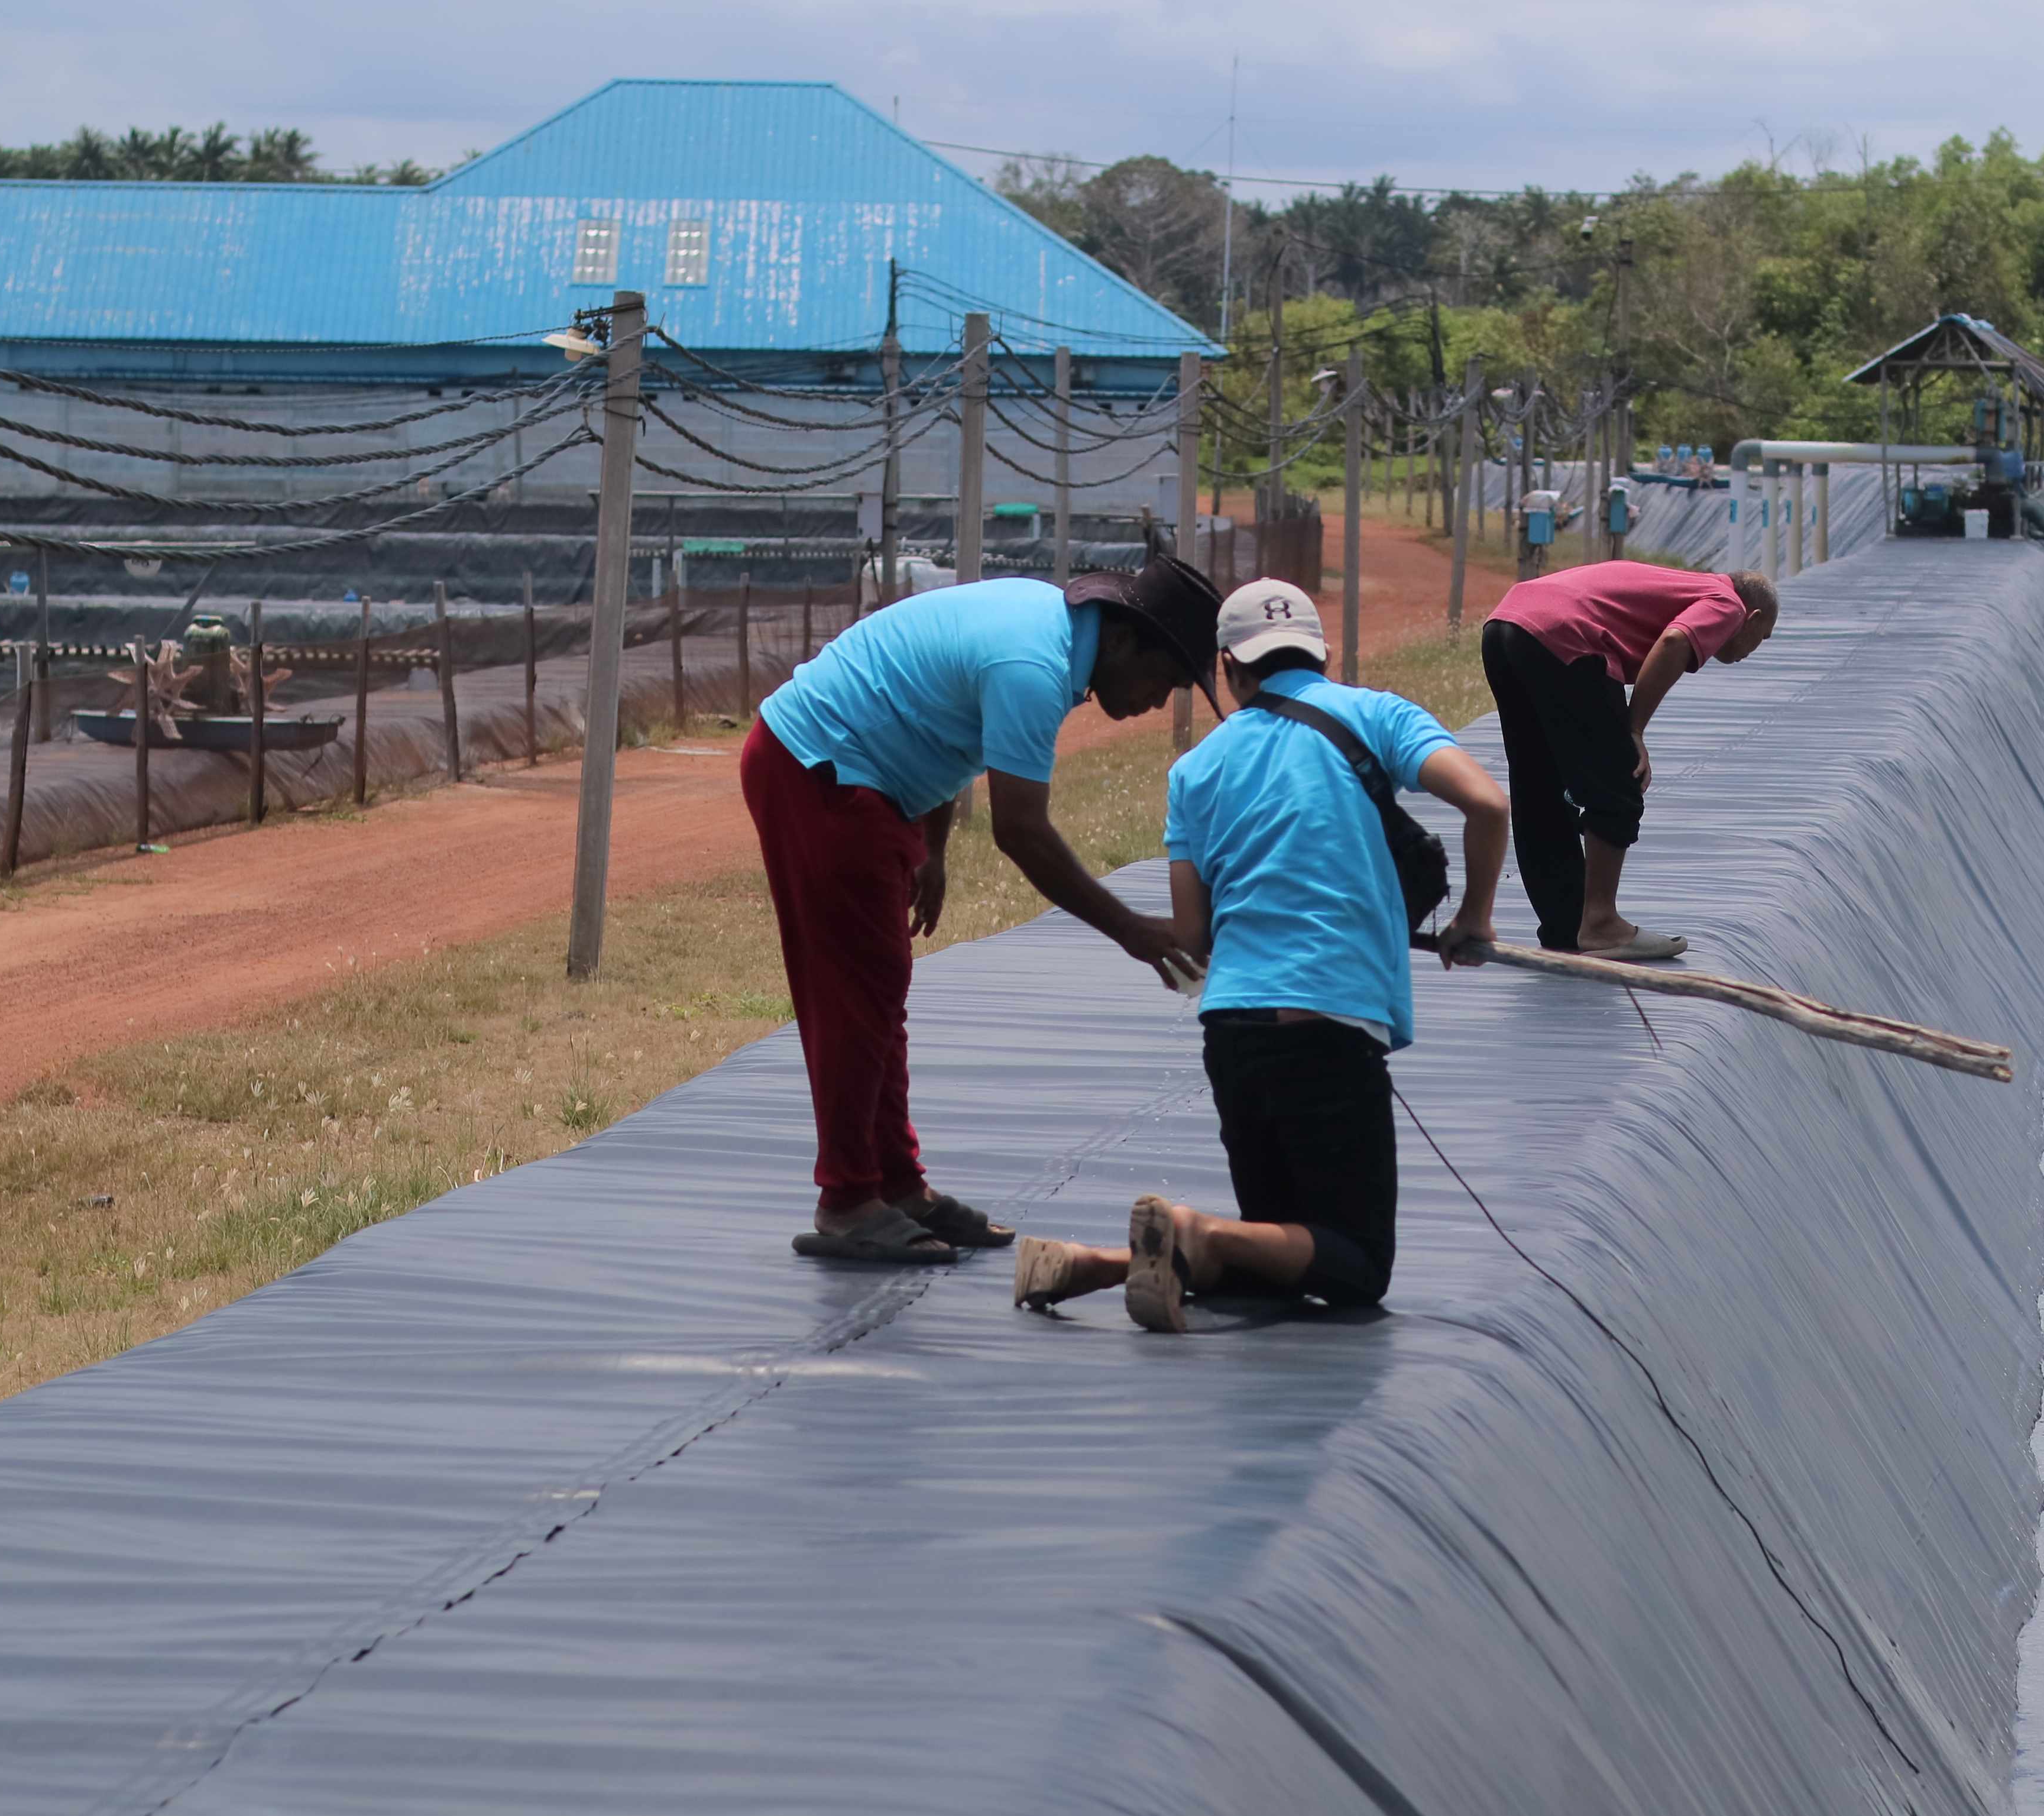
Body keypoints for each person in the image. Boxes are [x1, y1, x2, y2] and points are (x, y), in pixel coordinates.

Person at [1012, 578, 1509, 1332]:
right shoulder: (1378, 715)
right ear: (1322, 654)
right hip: (1330, 1020)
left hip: (1234, 1028)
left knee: (1279, 1255)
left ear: (1229, 669)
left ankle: (1099, 1262)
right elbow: (1489, 803)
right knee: (1358, 1264)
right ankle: (1195, 1230)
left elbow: (1193, 938)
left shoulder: (1196, 769)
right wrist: (1474, 917)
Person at [741, 555, 1219, 1265]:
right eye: (1164, 679)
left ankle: (896, 1185)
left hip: (863, 776)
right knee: (855, 996)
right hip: (820, 770)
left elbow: (940, 714)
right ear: (1123, 639)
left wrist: (932, 847)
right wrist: (1132, 931)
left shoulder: (1052, 636)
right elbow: (1020, 830)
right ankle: (847, 1200)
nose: (1158, 701)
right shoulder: (1034, 664)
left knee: (878, 992)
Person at [1479, 559, 1778, 960]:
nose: (1755, 649)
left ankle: (1566, 928)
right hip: (1567, 634)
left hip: (1506, 624)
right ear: (1752, 618)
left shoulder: (1685, 585)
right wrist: (1634, 731)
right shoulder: (1728, 604)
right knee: (1619, 782)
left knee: (1539, 787)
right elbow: (1674, 643)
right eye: (1763, 637)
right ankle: (1601, 924)